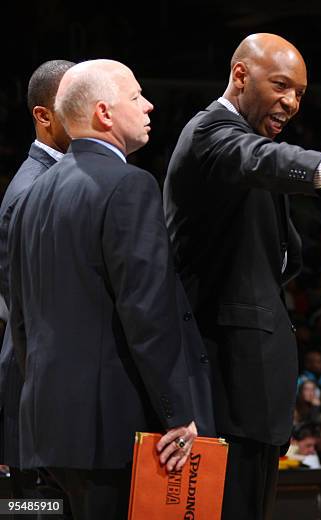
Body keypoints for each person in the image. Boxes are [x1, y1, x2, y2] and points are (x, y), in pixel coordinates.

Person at [163, 32, 321, 520]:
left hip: (249, 392)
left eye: (300, 93)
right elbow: (261, 161)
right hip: (222, 388)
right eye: (282, 85)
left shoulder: (249, 141)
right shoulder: (209, 133)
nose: (292, 102)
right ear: (241, 75)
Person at [7, 59, 214, 520]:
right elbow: (147, 313)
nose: (148, 105)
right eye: (136, 96)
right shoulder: (129, 186)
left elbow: (21, 321)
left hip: (48, 430)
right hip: (112, 433)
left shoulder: (30, 195)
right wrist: (177, 414)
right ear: (104, 113)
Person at [0, 59, 74, 513]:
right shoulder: (32, 190)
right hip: (37, 396)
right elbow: (32, 314)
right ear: (43, 116)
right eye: (73, 105)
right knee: (39, 511)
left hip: (48, 392)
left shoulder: (58, 180)